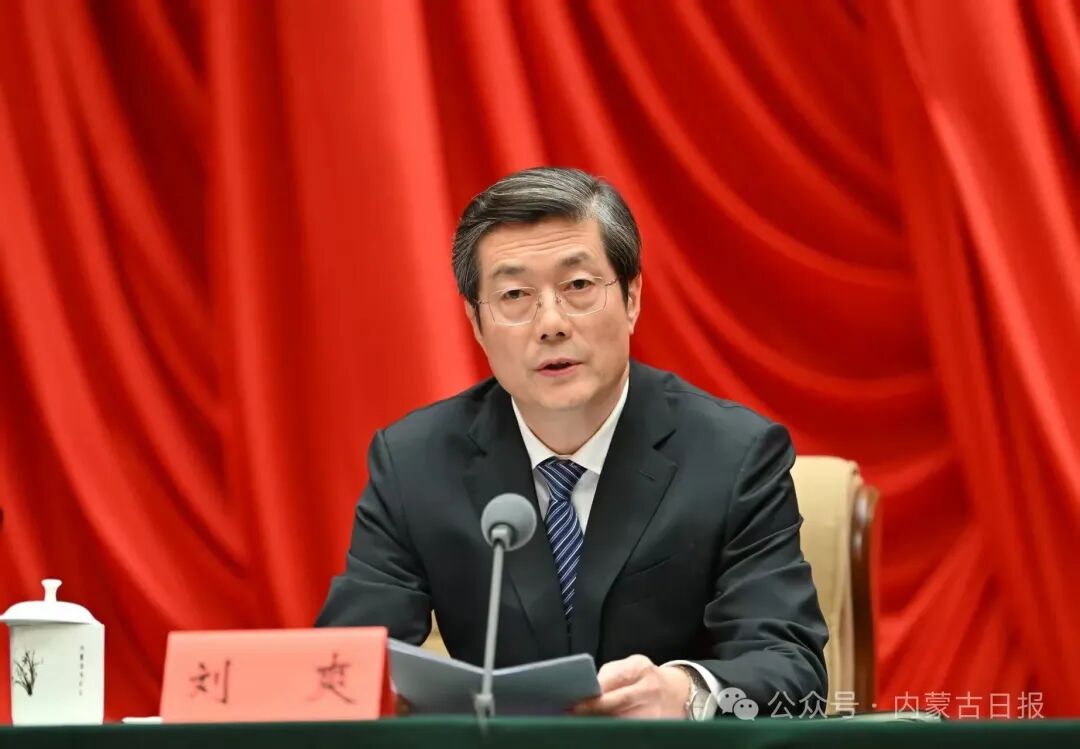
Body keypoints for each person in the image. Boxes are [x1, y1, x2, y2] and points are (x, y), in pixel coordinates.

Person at [316, 167, 827, 719]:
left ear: (632, 297)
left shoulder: (735, 455)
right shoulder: (414, 462)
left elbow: (791, 670)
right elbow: (343, 665)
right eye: (515, 295)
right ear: (476, 323)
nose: (551, 323)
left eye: (578, 286)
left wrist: (683, 692)